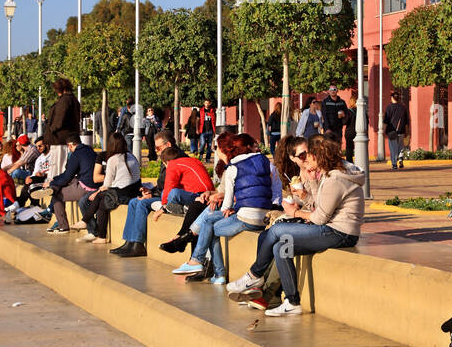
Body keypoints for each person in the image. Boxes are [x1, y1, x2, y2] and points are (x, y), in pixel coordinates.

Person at [224, 135, 363, 316]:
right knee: (283, 247)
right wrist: (311, 183)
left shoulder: (335, 179)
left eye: (309, 156)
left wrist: (294, 213)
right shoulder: (328, 176)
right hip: (331, 228)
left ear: (318, 156)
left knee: (276, 230)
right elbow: (317, 205)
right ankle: (292, 301)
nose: (306, 161)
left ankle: (254, 276)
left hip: (340, 232)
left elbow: (320, 218)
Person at [172, 132, 275, 285]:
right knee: (209, 224)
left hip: (247, 218)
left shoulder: (233, 168)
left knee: (209, 225)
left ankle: (199, 261)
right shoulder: (263, 161)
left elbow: (226, 203)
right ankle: (214, 272)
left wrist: (227, 208)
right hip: (265, 215)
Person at [45, 131, 99, 235]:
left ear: (70, 145)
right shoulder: (89, 149)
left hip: (87, 187)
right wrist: (55, 180)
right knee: (58, 185)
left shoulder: (76, 154)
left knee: (56, 194)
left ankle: (62, 226)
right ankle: (51, 199)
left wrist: (52, 182)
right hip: (95, 184)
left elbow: (67, 177)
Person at [43, 78, 81, 183]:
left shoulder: (64, 101)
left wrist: (50, 130)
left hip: (59, 139)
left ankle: (55, 188)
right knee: (65, 166)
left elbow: (59, 121)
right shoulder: (74, 100)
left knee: (57, 167)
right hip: (70, 138)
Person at [382, 90, 409, 169]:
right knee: (401, 146)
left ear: (392, 98)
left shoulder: (389, 107)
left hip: (391, 131)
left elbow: (386, 121)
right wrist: (406, 131)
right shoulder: (403, 107)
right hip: (401, 130)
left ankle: (394, 164)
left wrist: (383, 130)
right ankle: (400, 158)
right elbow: (406, 121)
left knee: (393, 148)